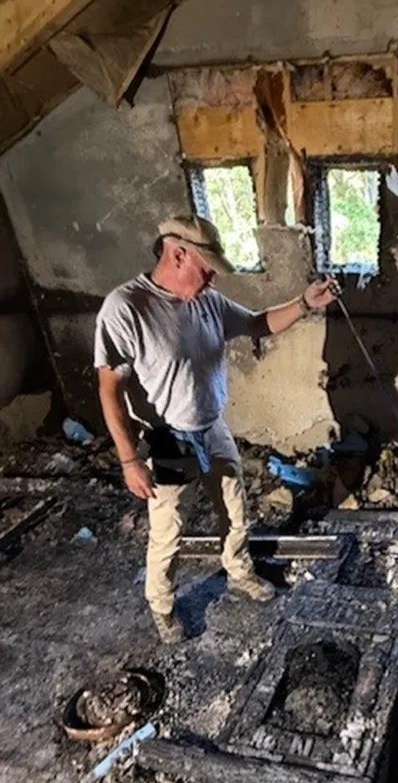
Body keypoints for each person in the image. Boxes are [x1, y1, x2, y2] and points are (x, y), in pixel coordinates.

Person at [94, 214, 337, 643]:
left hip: (213, 426)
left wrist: (305, 304)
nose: (211, 280)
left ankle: (240, 573)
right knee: (168, 531)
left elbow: (257, 323)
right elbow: (108, 388)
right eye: (206, 269)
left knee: (236, 511)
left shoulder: (206, 301)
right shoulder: (127, 307)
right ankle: (163, 606)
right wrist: (129, 459)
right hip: (168, 437)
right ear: (178, 254)